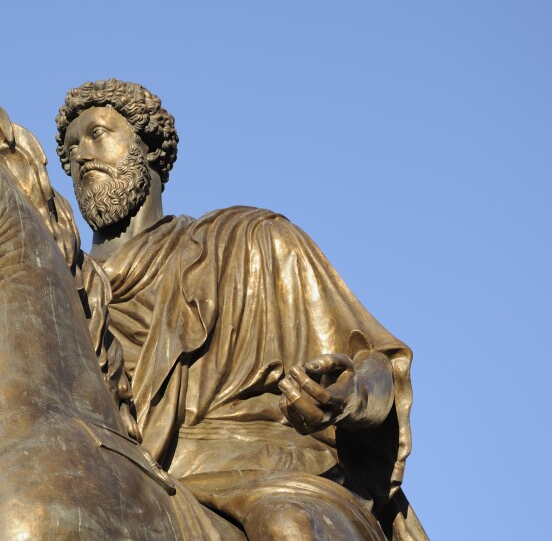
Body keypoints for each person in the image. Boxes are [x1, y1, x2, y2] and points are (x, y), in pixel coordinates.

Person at [55, 79, 426, 540]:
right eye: (70, 147)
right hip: (113, 479)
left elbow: (374, 365)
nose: (80, 154)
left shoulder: (249, 243)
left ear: (149, 149)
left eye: (97, 134)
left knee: (287, 528)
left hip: (265, 477)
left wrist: (347, 396)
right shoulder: (60, 288)